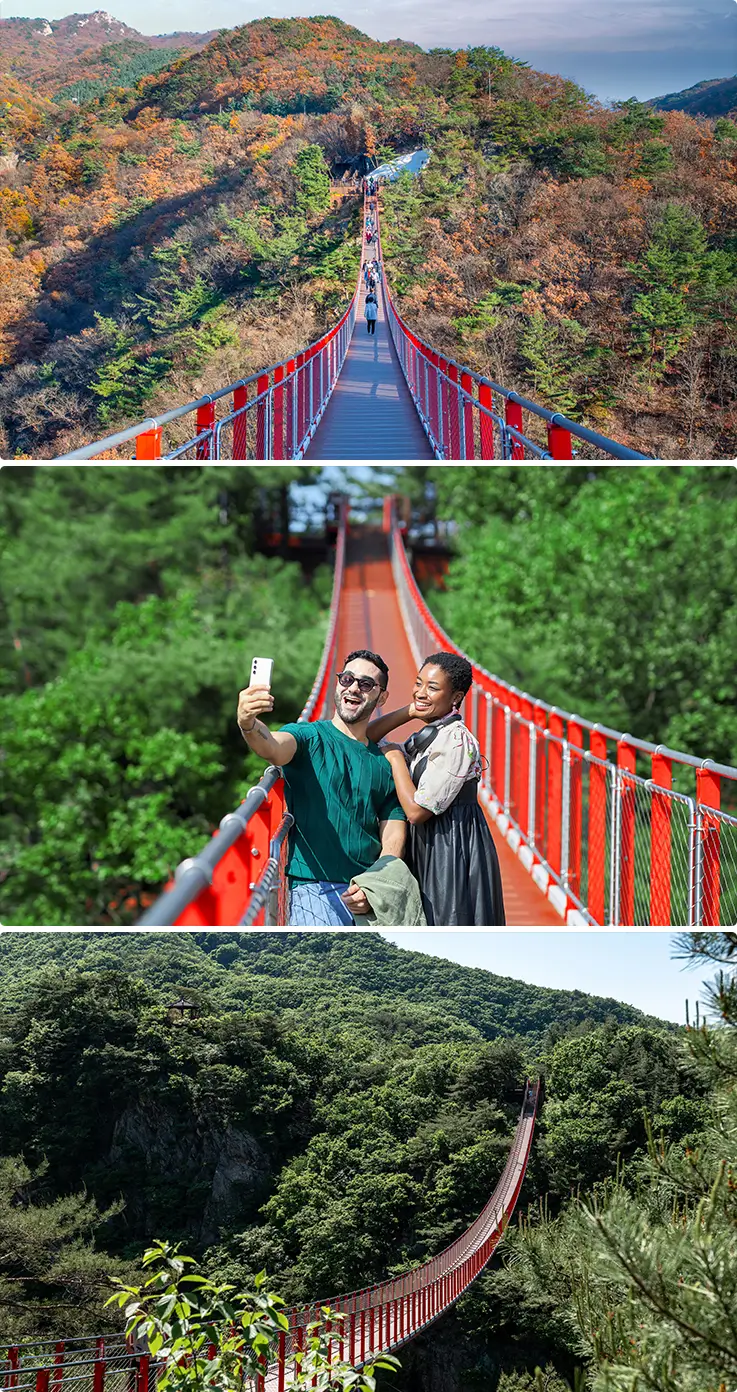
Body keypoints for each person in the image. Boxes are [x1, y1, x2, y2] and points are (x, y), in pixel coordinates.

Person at [237, 650, 406, 926]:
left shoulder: (384, 762)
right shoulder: (309, 737)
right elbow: (271, 747)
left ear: (382, 697)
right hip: (313, 889)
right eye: (347, 679)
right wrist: (248, 724)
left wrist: (375, 886)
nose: (353, 688)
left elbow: (393, 836)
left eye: (365, 684)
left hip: (366, 893)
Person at [367, 652, 506, 925]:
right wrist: (410, 711)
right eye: (418, 683)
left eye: (432, 688)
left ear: (455, 697)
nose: (420, 692)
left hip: (451, 848)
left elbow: (417, 811)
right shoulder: (434, 731)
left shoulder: (456, 741)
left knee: (447, 919)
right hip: (432, 842)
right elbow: (367, 737)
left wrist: (395, 758)